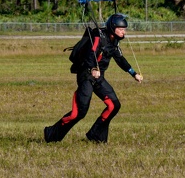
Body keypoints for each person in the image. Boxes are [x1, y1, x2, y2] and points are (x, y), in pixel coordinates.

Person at [44, 13, 142, 144]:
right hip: (86, 75)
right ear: (113, 28)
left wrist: (133, 73)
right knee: (78, 113)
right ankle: (51, 134)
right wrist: (92, 69)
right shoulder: (98, 36)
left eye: (124, 29)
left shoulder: (114, 42)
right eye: (121, 29)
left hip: (98, 77)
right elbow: (91, 53)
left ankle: (96, 135)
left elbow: (120, 59)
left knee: (114, 105)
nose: (124, 31)